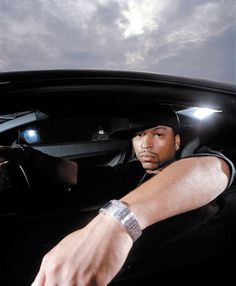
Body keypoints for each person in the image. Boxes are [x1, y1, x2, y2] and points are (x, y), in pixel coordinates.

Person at [0, 105, 234, 286]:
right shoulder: (129, 172)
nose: (146, 144)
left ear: (177, 142)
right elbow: (72, 172)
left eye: (158, 135)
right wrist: (28, 156)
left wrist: (118, 222)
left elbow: (214, 169)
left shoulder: (191, 168)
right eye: (139, 135)